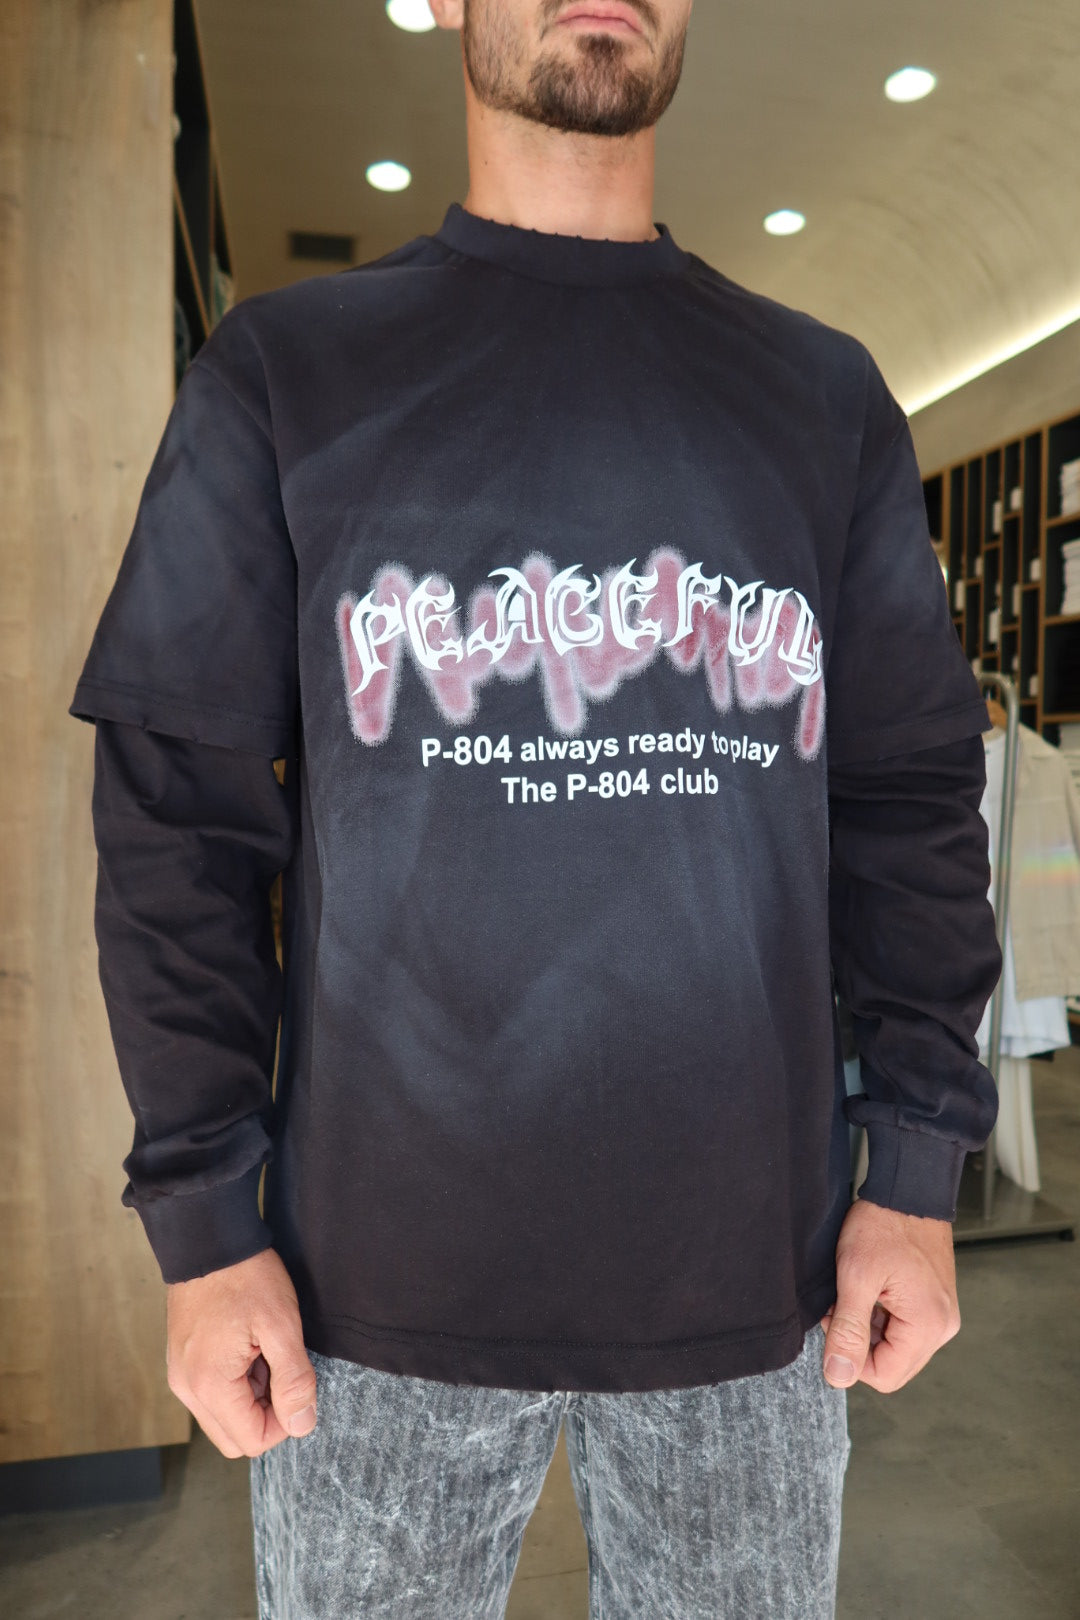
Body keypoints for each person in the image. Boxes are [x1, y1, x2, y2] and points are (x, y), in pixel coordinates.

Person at [69, 0, 1002, 1614]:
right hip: (367, 1304)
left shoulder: (826, 398)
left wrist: (916, 1170)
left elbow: (909, 798)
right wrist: (206, 1225)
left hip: (755, 1295)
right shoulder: (284, 376)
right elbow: (178, 818)